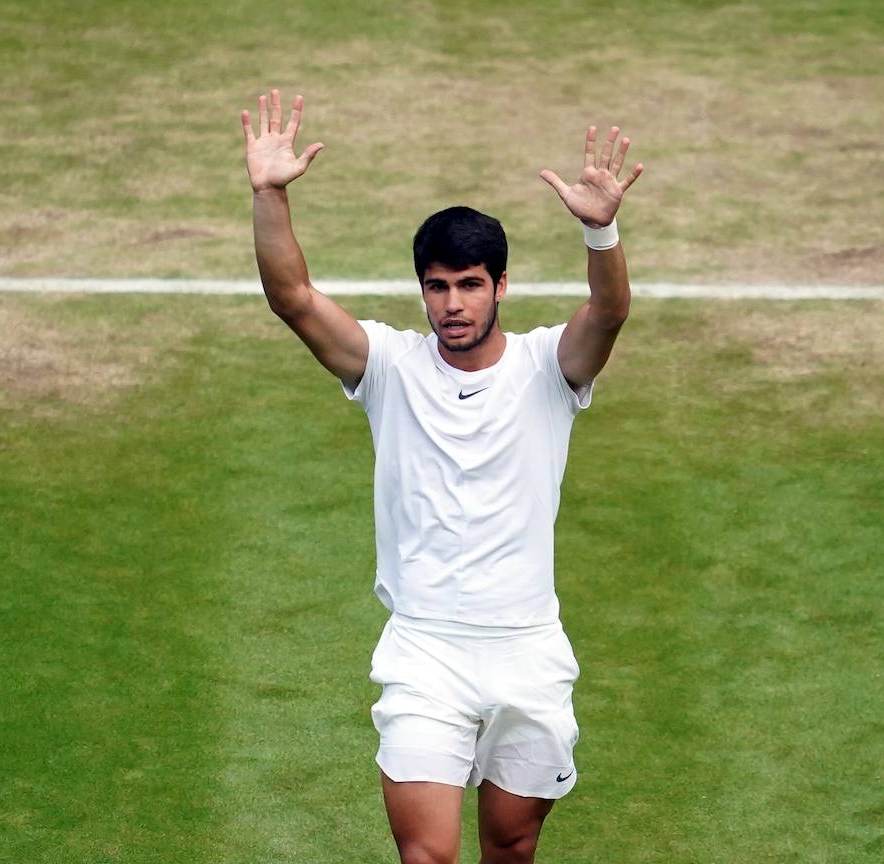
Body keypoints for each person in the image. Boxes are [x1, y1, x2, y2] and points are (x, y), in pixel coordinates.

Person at [241, 89, 643, 864]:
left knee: (513, 845)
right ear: (422, 289)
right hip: (425, 649)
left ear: (500, 287)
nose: (452, 305)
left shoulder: (548, 368)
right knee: (427, 855)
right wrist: (268, 194)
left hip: (528, 649)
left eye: (468, 284)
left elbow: (611, 311)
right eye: (437, 286)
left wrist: (603, 231)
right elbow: (292, 297)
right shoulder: (387, 364)